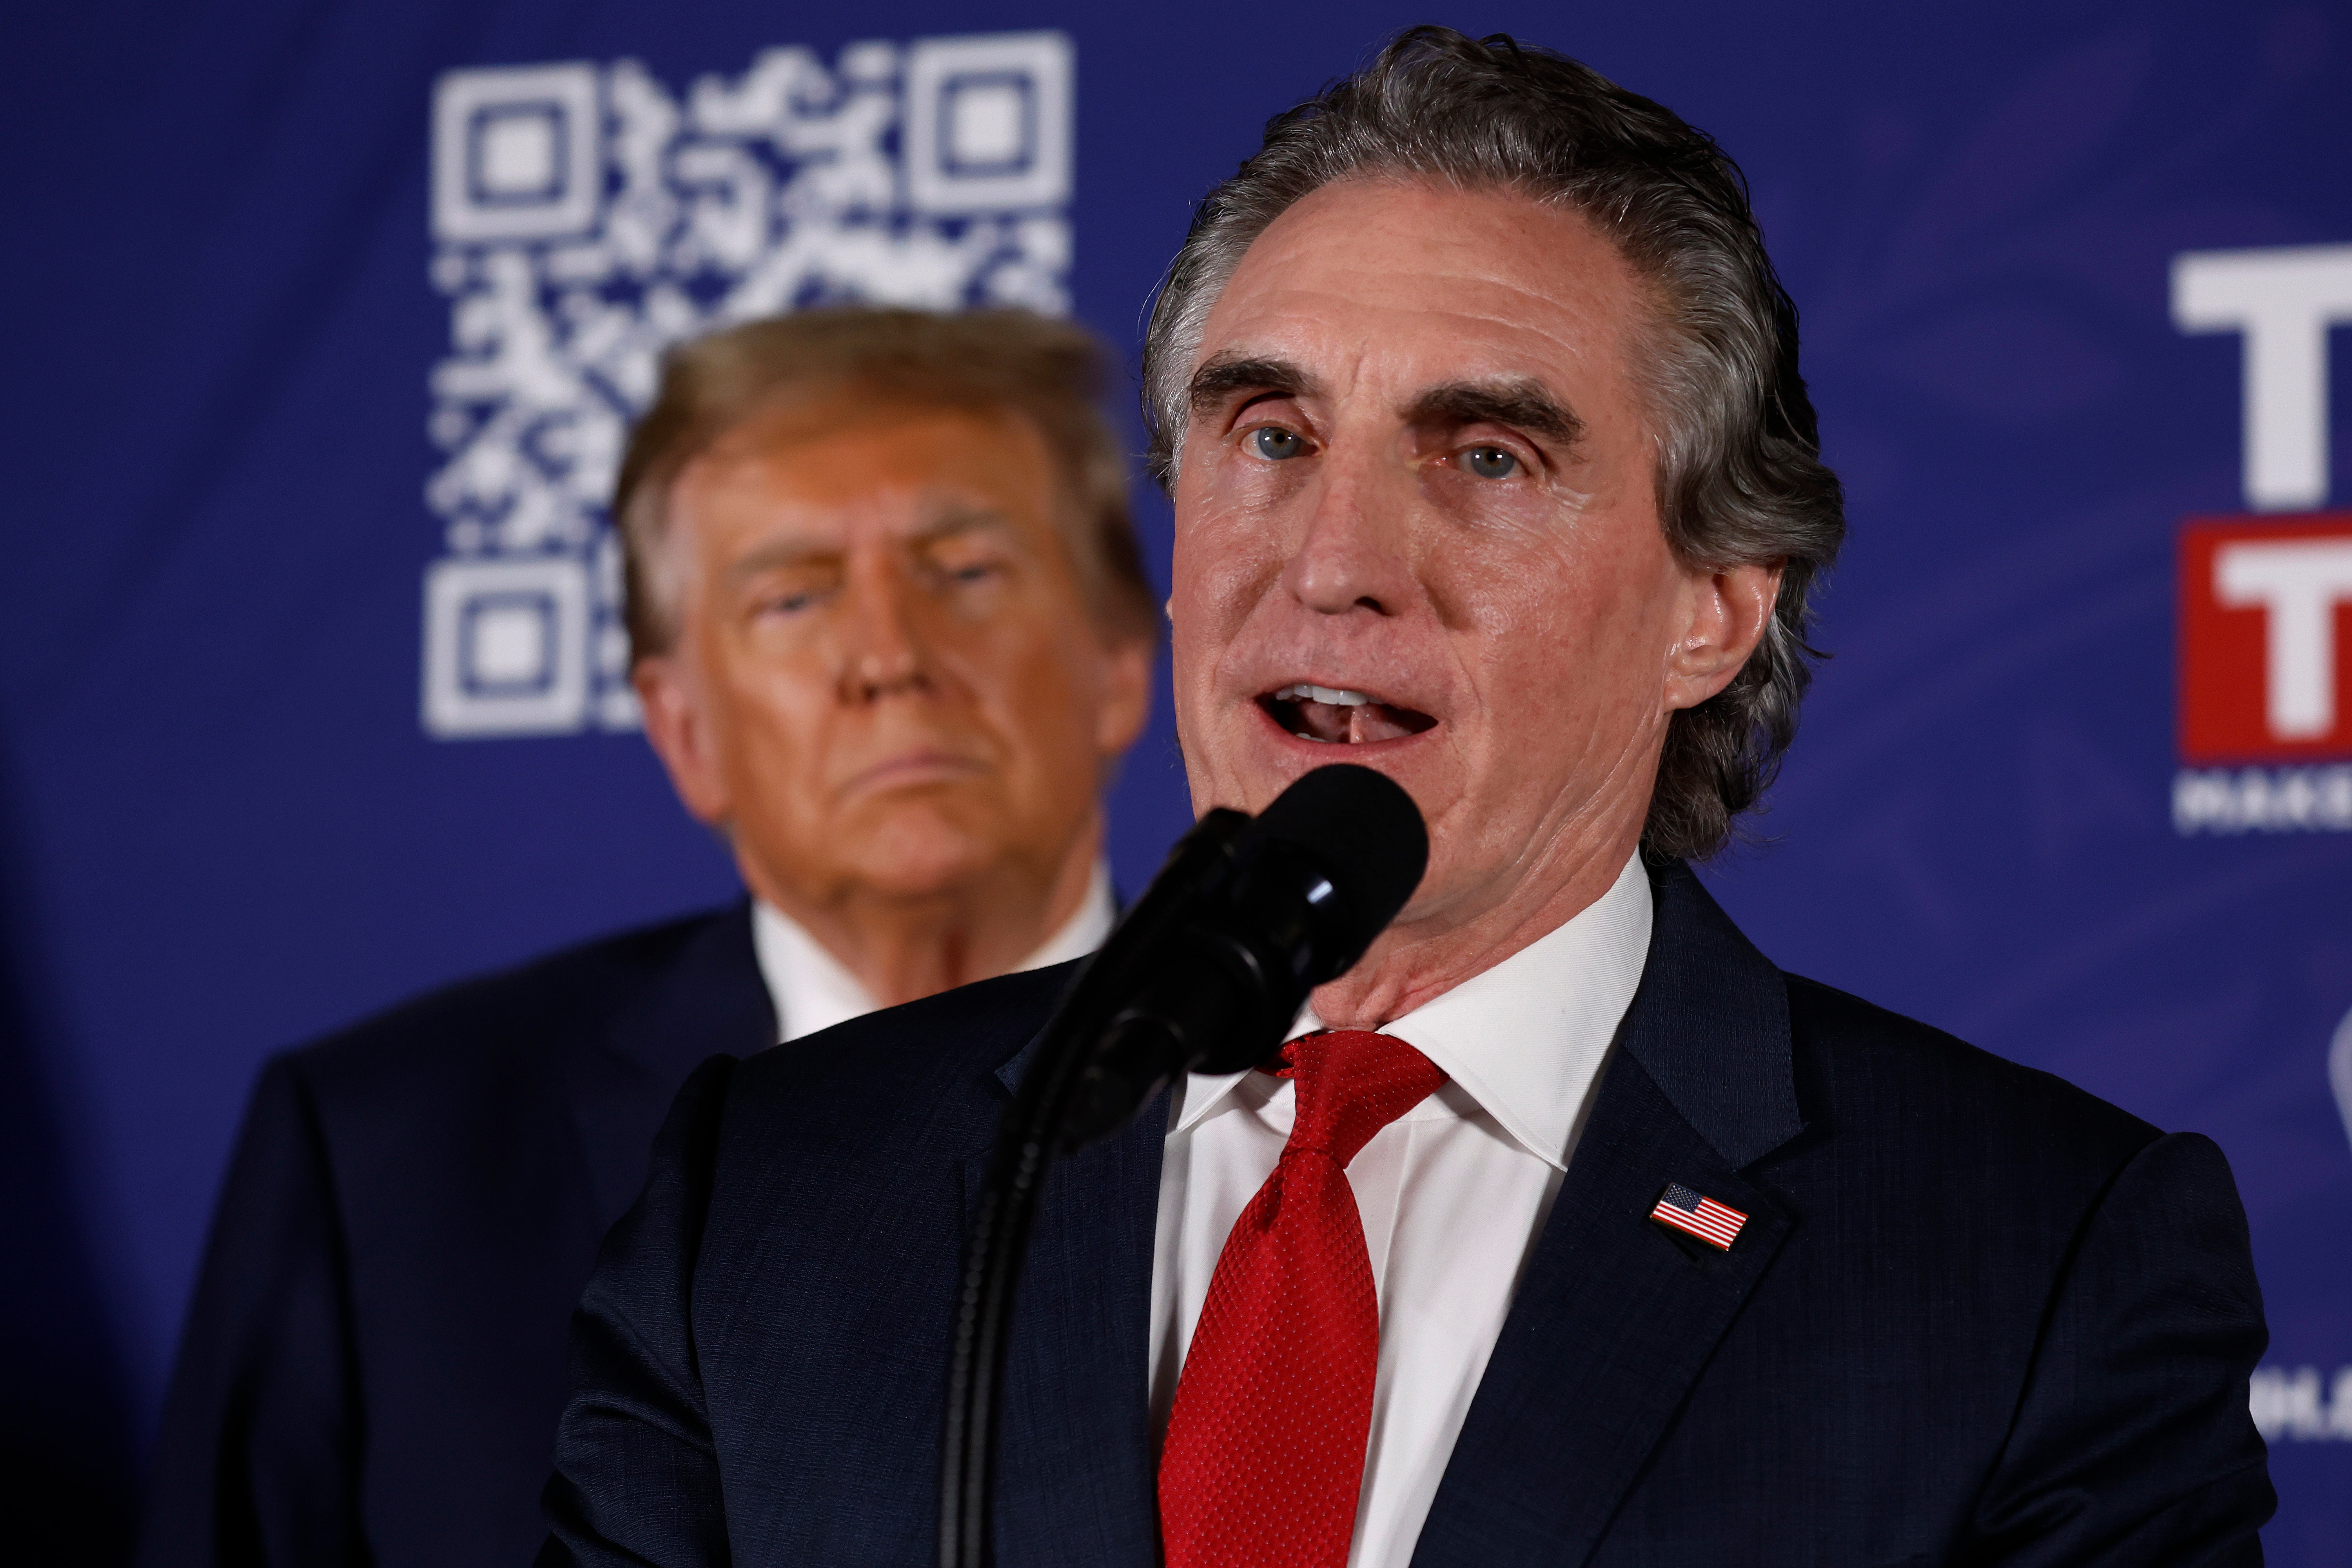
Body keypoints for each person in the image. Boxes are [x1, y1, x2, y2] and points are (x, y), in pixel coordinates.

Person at [539, 30, 2274, 1568]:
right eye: (1271, 436)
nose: (1337, 563)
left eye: (1490, 457)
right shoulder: (773, 1199)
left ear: (1712, 609)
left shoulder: (2036, 1266)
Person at [139, 307, 1159, 1568]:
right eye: (793, 596)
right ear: (685, 732)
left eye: (963, 570)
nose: (891, 656)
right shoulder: (385, 1163)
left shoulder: (1326, 1104)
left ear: (1121, 661)